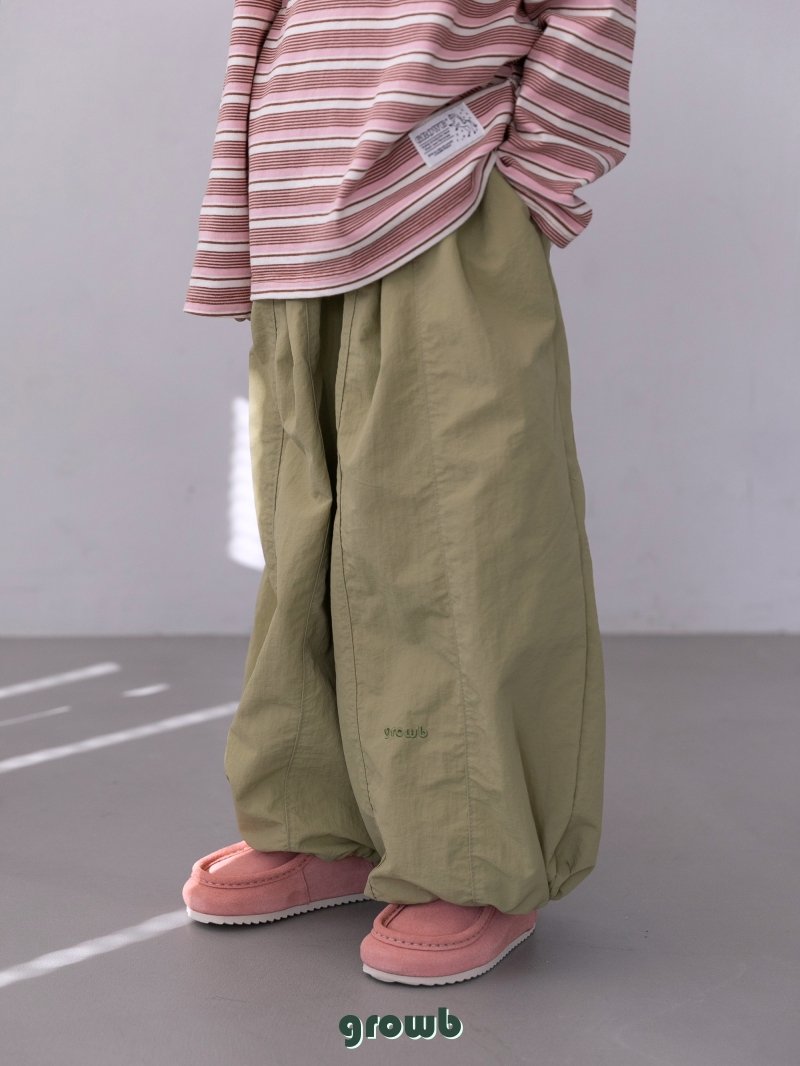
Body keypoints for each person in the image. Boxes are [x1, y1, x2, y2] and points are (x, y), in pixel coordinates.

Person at [180, 0, 637, 986]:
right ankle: (321, 824)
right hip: (298, 219)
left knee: (462, 540)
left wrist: (526, 180)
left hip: (442, 207)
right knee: (305, 544)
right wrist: (248, 207)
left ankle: (473, 861)